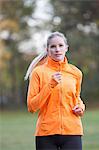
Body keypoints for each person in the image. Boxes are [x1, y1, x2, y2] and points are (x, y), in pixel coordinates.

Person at [25, 31, 85, 150]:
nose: (57, 49)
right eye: (53, 46)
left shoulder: (76, 73)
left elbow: (76, 97)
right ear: (47, 50)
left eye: (60, 45)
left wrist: (81, 107)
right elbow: (32, 106)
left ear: (66, 48)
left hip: (72, 131)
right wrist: (50, 85)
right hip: (46, 133)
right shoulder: (38, 72)